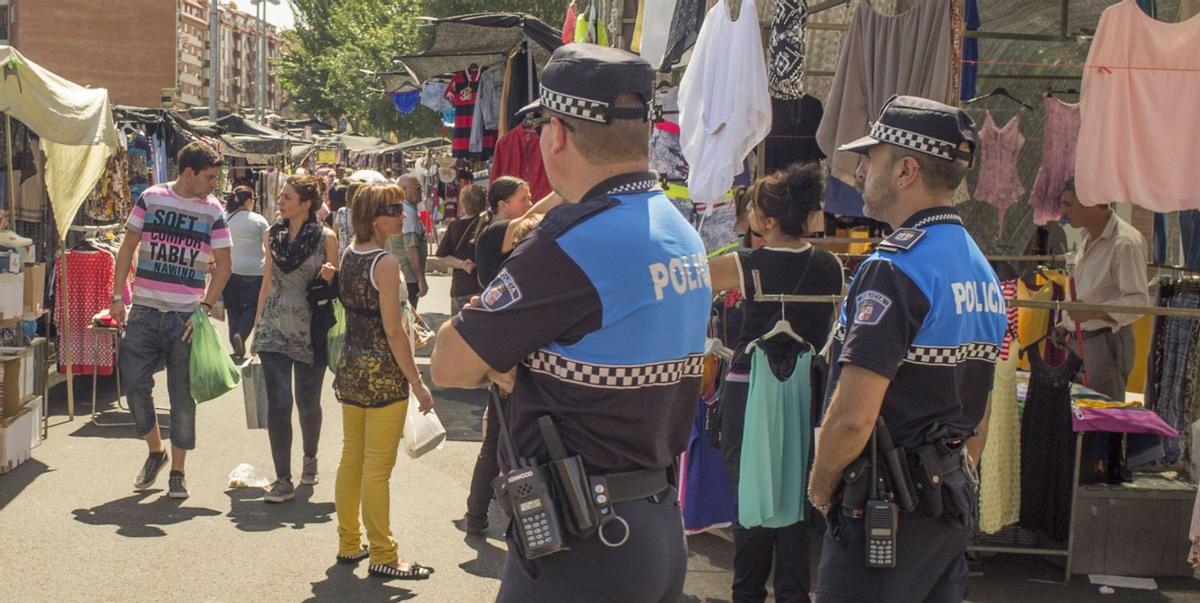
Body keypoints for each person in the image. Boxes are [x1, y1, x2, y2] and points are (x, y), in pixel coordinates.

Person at [431, 43, 711, 601]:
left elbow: (449, 363)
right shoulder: (677, 229)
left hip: (581, 543)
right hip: (651, 522)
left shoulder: (573, 244)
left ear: (556, 134)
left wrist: (505, 361)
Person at [807, 96, 1006, 602]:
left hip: (881, 510)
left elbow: (853, 415)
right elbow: (980, 413)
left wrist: (822, 486)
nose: (860, 171)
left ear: (906, 169)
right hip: (945, 503)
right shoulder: (979, 267)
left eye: (870, 158)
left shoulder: (896, 267)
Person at [707, 163, 845, 603]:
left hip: (750, 393)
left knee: (750, 496)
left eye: (751, 207)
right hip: (809, 393)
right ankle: (792, 593)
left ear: (767, 222)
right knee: (800, 497)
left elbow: (687, 280)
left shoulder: (744, 264)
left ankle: (747, 593)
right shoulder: (833, 267)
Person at [111, 141, 232, 499]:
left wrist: (205, 309)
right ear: (189, 173)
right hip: (145, 311)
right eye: (210, 177)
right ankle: (155, 450)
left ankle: (178, 472)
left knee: (181, 396)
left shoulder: (214, 210)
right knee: (134, 384)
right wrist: (118, 296)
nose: (214, 183)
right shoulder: (151, 197)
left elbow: (225, 266)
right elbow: (127, 247)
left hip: (185, 317)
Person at [333, 183, 436, 580]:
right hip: (383, 375)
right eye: (393, 209)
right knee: (377, 468)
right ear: (374, 217)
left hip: (352, 367)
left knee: (351, 459)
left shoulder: (350, 254)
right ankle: (384, 554)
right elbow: (395, 332)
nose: (401, 213)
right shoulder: (386, 264)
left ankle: (348, 543)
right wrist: (418, 383)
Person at [456, 177, 552, 536]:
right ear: (501, 203)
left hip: (510, 348)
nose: (530, 201)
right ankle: (493, 516)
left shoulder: (505, 242)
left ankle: (481, 515)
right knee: (507, 439)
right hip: (511, 353)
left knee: (500, 439)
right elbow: (533, 218)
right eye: (523, 197)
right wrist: (563, 190)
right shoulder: (497, 233)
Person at [250, 175, 339, 503]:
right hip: (274, 324)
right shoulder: (270, 234)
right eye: (281, 196)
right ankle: (282, 479)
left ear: (305, 204)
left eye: (287, 197)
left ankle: (310, 457)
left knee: (307, 402)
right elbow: (267, 282)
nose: (280, 202)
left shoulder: (326, 238)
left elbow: (335, 289)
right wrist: (256, 325)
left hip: (310, 328)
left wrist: (329, 278)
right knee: (278, 404)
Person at [1059, 179, 1149, 401]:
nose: (1063, 210)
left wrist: (1093, 312)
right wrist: (1066, 325)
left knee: (1103, 418)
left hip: (1104, 343)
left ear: (1089, 204)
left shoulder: (1125, 243)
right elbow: (1089, 291)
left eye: (1067, 204)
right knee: (1077, 416)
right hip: (1079, 341)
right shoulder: (1088, 237)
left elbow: (1138, 302)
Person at [223, 186, 270, 360]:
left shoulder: (223, 217)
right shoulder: (258, 220)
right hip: (254, 271)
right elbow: (268, 247)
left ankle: (234, 339)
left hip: (229, 270)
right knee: (251, 307)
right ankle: (241, 335)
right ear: (249, 200)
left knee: (232, 308)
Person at [436, 183, 487, 316]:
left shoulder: (455, 226)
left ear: (463, 204)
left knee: (459, 330)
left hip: (461, 287)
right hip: (484, 287)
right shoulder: (489, 224)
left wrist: (462, 264)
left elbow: (441, 256)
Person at [385, 174, 428, 309]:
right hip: (408, 276)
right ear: (404, 190)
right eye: (417, 189)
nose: (420, 192)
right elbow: (410, 249)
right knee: (407, 317)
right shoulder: (407, 212)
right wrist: (421, 279)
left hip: (397, 272)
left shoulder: (397, 208)